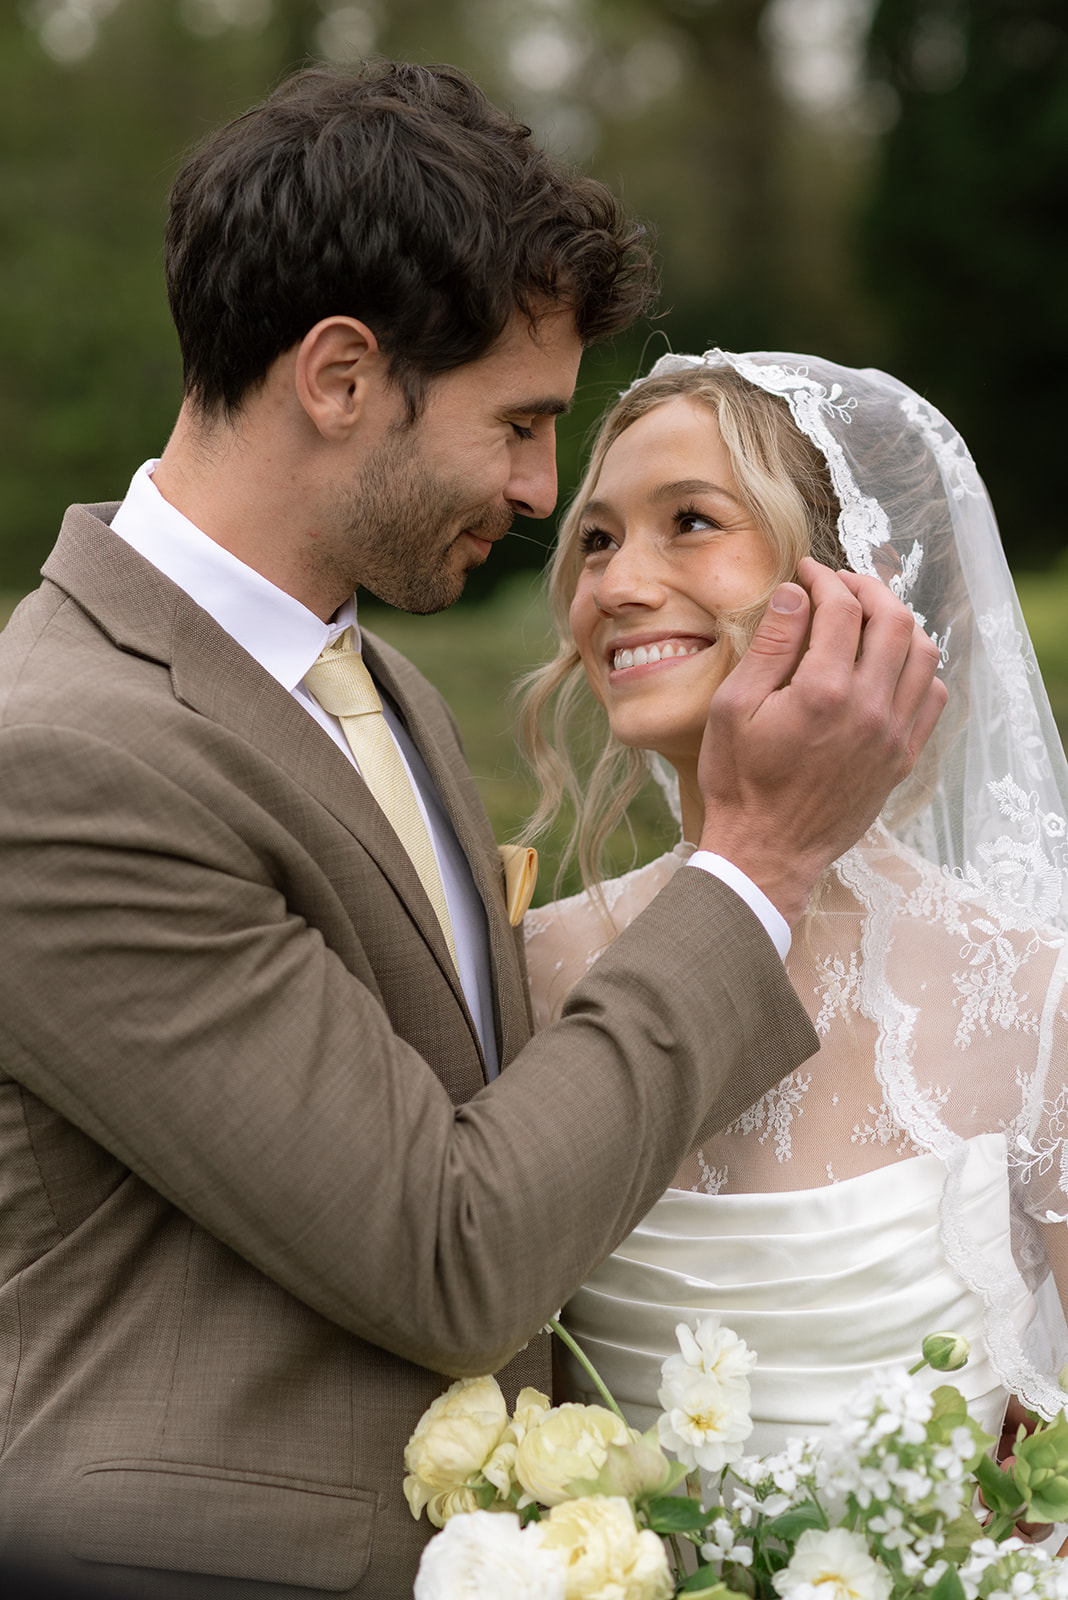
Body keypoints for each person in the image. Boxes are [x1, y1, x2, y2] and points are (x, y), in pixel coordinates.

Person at [0, 64, 943, 1600]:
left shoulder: (380, 695)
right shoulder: (59, 756)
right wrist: (759, 862)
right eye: (517, 424)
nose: (536, 493)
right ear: (341, 376)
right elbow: (451, 1252)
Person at [521, 348, 1068, 1463]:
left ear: (854, 577)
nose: (618, 584)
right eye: (597, 538)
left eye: (690, 521)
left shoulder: (1032, 995)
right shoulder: (522, 967)